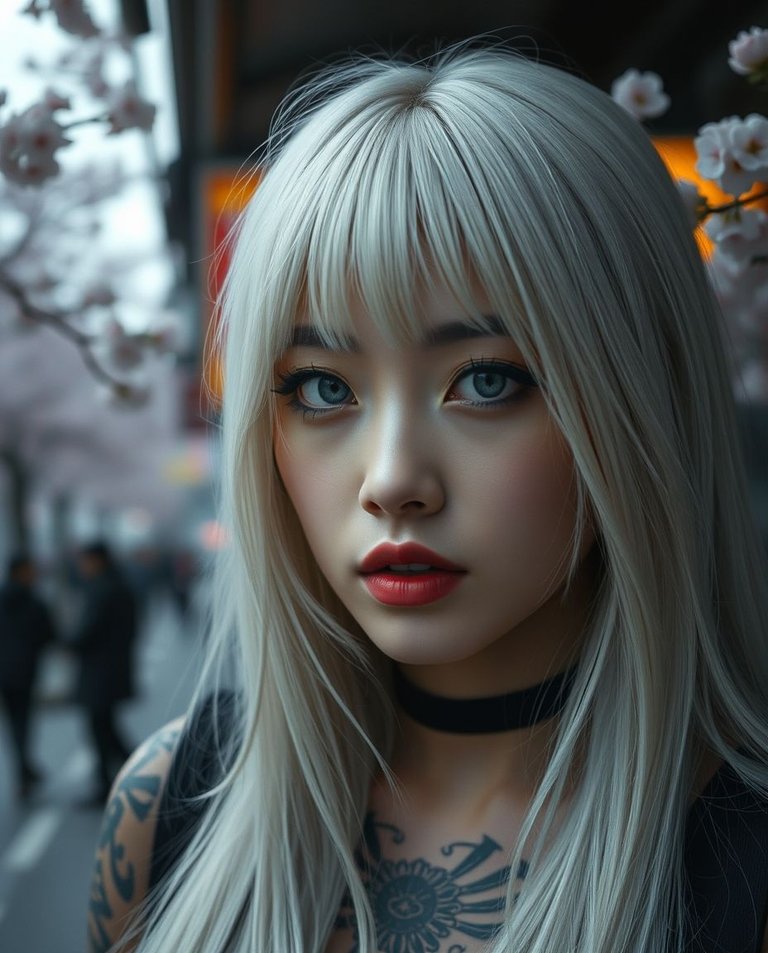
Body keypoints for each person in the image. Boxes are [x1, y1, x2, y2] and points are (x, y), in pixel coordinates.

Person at [86, 42, 768, 953]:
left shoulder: (744, 866)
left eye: (486, 381)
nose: (393, 479)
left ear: (645, 394)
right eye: (322, 388)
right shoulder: (167, 802)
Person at [71, 540, 137, 807]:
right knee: (105, 728)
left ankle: (123, 778)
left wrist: (67, 643)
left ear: (96, 560)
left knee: (100, 729)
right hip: (113, 669)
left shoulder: (103, 589)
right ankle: (128, 775)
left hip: (100, 673)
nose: (81, 567)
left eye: (84, 561)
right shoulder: (118, 586)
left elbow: (87, 632)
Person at [0, 553, 56, 799]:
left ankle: (26, 768)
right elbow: (49, 634)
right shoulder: (34, 601)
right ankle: (25, 771)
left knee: (14, 723)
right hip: (24, 672)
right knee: (21, 723)